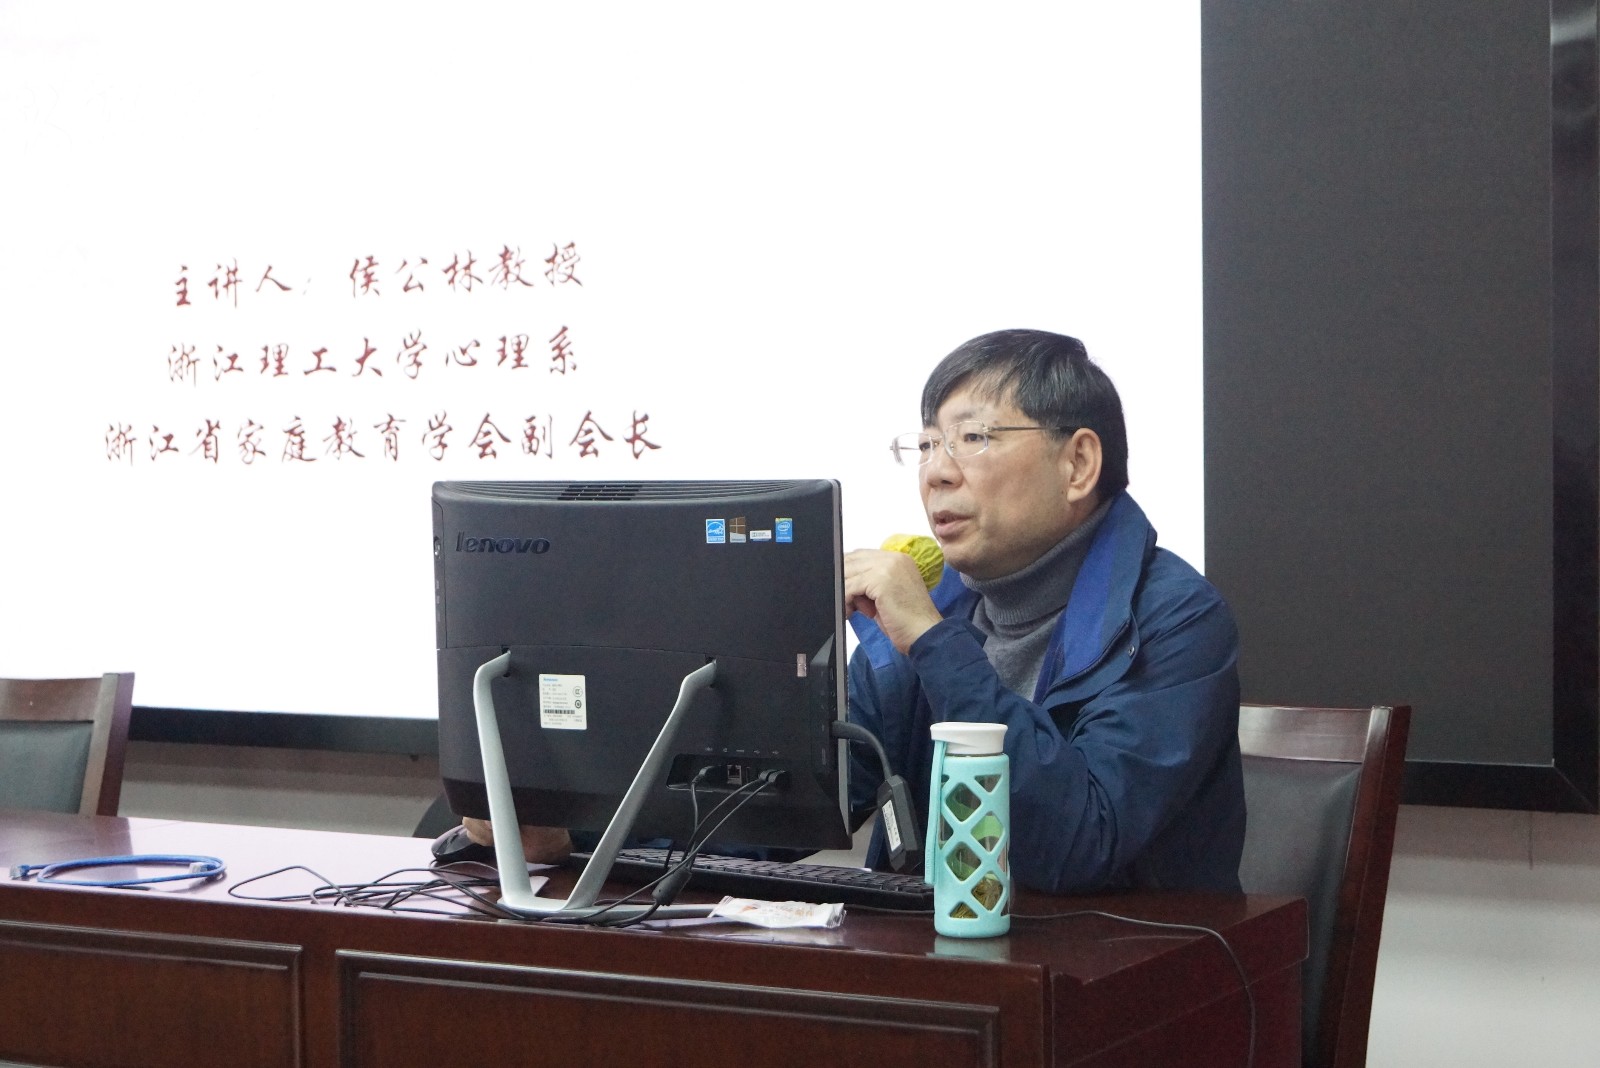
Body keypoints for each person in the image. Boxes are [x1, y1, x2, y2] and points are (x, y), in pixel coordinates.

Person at [844, 328, 1244, 894]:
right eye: (928, 444)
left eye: (972, 437)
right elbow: (799, 807)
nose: (935, 473)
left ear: (1078, 464)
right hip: (926, 945)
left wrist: (936, 646)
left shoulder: (1176, 619)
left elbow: (1079, 844)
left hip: (1114, 946)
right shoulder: (927, 613)